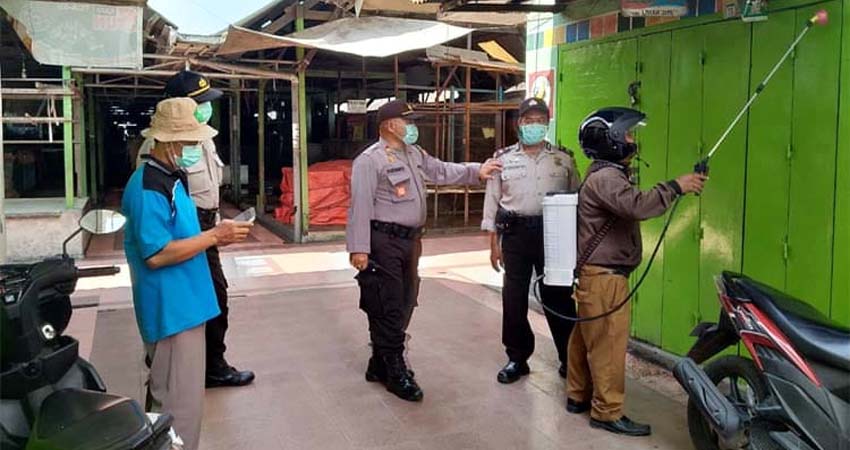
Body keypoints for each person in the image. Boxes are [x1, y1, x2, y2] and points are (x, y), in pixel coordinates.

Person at [347, 99, 502, 402]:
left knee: (406, 300)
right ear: (390, 125)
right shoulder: (370, 160)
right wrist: (359, 249)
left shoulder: (414, 153)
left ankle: (379, 362)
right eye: (409, 121)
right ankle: (393, 368)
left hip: (410, 241)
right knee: (388, 303)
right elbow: (359, 207)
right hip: (383, 241)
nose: (414, 127)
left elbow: (441, 171)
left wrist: (476, 171)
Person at [565, 107, 707, 436]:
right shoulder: (606, 178)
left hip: (595, 275)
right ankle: (607, 411)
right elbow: (638, 205)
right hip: (605, 279)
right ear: (610, 141)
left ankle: (577, 395)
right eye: (627, 135)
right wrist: (676, 186)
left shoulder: (604, 173)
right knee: (608, 346)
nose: (632, 140)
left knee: (584, 339)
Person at [122, 97, 253, 450]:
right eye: (192, 141)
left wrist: (215, 236)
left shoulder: (169, 176)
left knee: (180, 399)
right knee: (177, 406)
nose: (196, 147)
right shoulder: (150, 185)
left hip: (186, 304)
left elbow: (180, 237)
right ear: (169, 142)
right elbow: (156, 254)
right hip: (171, 311)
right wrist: (213, 236)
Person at [136, 70, 255, 388]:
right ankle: (182, 365)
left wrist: (216, 229)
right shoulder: (158, 152)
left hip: (204, 225)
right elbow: (158, 220)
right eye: (199, 103)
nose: (206, 108)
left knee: (211, 296)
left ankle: (206, 364)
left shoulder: (197, 139)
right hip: (184, 233)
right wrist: (209, 234)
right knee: (196, 297)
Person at [482, 97, 581, 384]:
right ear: (519, 124)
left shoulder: (563, 159)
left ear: (547, 123)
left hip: (554, 236)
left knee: (558, 297)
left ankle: (569, 357)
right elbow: (493, 202)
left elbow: (577, 200)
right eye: (529, 120)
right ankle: (517, 357)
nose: (534, 125)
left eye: (540, 120)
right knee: (514, 297)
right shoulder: (502, 159)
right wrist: (493, 242)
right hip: (515, 233)